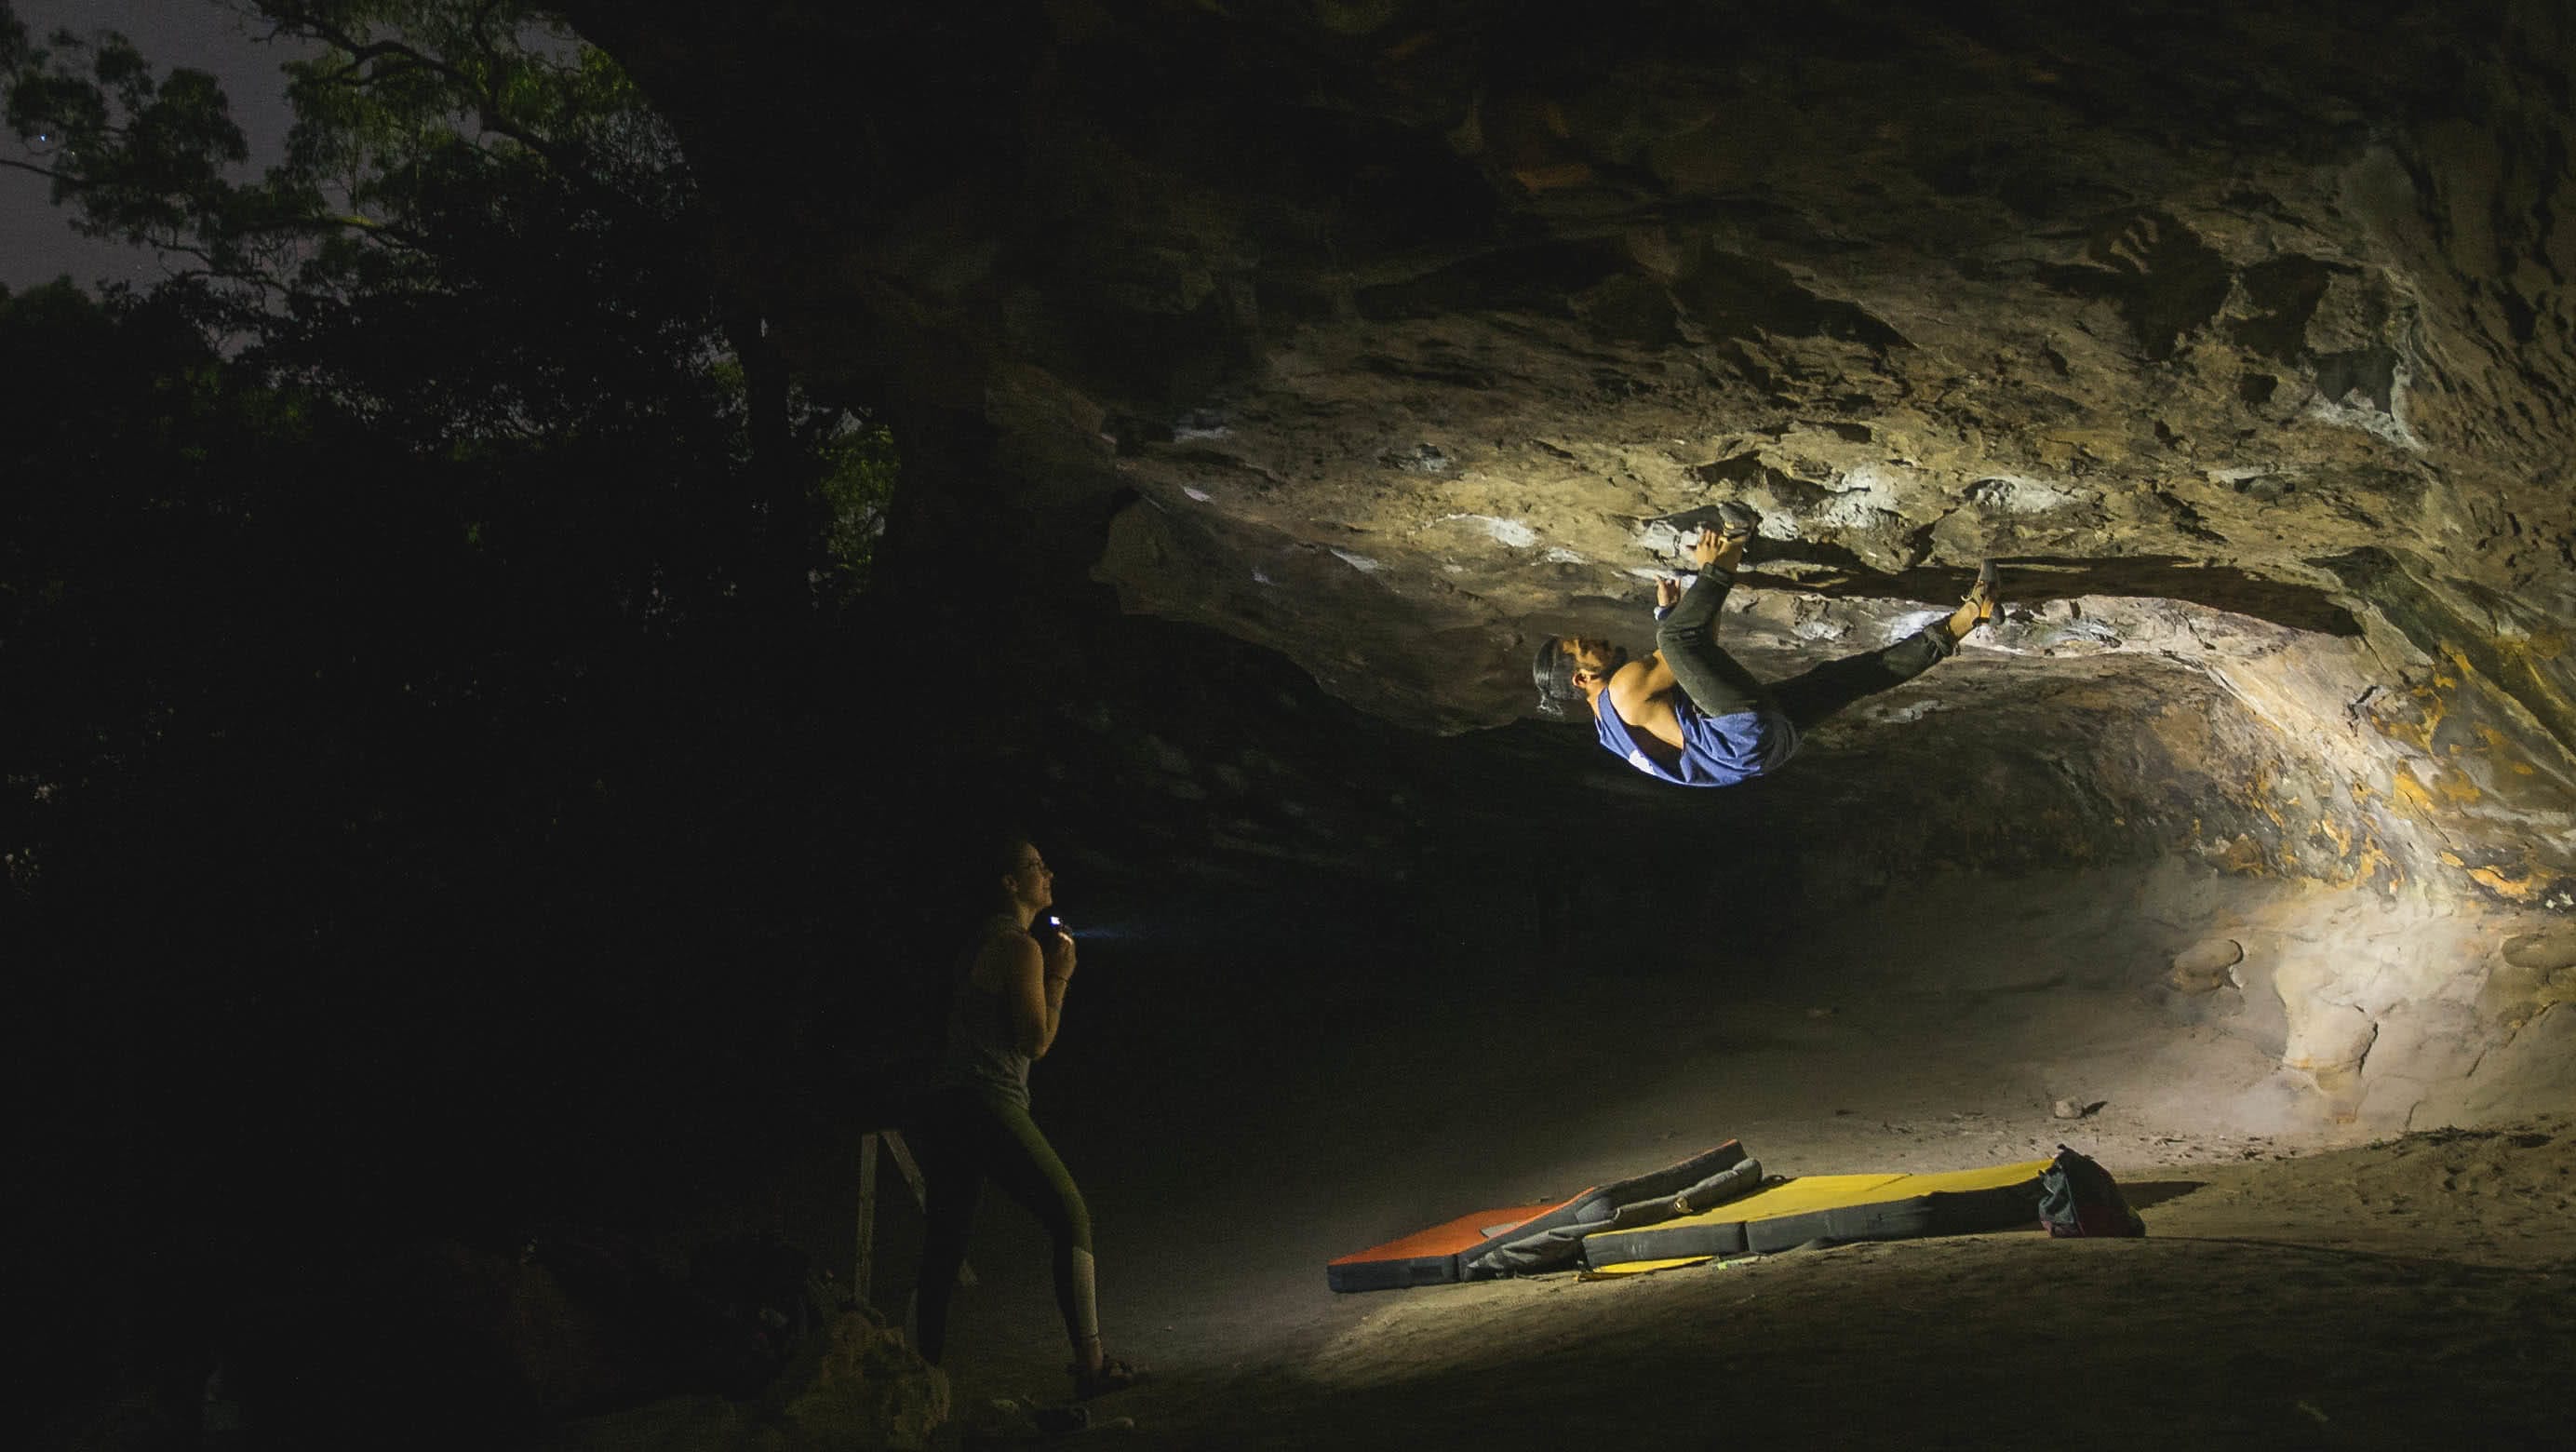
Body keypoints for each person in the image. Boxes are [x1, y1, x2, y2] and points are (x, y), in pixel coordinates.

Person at [907, 832, 1145, 1400]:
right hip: (986, 1101)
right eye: (1037, 866)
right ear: (1011, 883)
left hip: (946, 1104)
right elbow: (1035, 1042)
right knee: (1070, 1214)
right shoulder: (1021, 949)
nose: (1049, 874)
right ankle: (1092, 1365)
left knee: (944, 1246)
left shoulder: (976, 943)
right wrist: (1059, 978)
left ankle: (914, 1376)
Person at [1532, 507, 2000, 786]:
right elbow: (1684, 642)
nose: (1593, 639)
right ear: (1581, 677)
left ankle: (1971, 615)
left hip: (1763, 753)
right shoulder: (1624, 691)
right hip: (1741, 736)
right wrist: (1695, 585)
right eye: (1582, 646)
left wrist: (1681, 610)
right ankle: (1738, 533)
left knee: (1853, 678)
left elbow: (1703, 657)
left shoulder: (1609, 731)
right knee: (1671, 637)